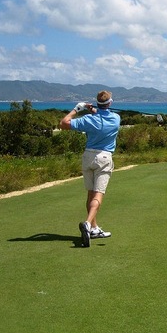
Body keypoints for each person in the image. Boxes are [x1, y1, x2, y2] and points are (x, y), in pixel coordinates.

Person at [59, 91, 121, 247]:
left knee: (90, 194)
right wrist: (93, 110)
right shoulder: (116, 119)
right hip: (104, 158)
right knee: (98, 196)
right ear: (110, 103)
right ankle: (87, 224)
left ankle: (94, 228)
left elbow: (64, 123)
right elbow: (103, 116)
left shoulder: (88, 120)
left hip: (88, 157)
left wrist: (77, 109)